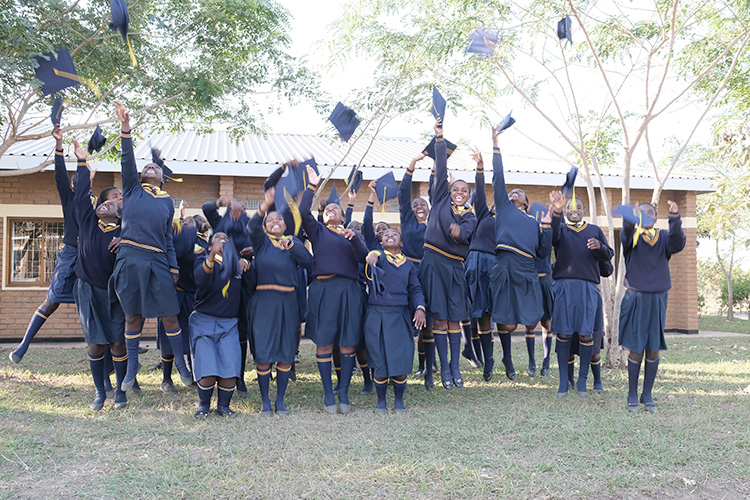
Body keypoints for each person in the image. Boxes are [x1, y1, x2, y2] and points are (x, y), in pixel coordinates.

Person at [109, 101, 191, 391]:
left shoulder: (167, 201)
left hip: (158, 262)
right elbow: (126, 160)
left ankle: (181, 364)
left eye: (154, 166)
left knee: (169, 313)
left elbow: (168, 237)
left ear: (162, 177)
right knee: (133, 316)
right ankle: (132, 368)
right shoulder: (131, 189)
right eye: (147, 167)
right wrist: (125, 127)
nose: (150, 166)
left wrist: (173, 266)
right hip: (131, 257)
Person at [9, 125, 82, 363]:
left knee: (98, 302)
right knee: (52, 301)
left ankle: (121, 345)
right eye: (77, 177)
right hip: (71, 254)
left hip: (91, 258)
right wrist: (59, 146)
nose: (81, 179)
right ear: (72, 184)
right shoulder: (69, 198)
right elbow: (60, 174)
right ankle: (23, 345)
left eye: (86, 174)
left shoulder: (99, 204)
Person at [300, 165, 368, 414]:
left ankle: (345, 392)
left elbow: (362, 258)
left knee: (348, 342)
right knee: (325, 343)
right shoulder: (318, 232)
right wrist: (311, 186)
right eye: (327, 209)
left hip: (349, 290)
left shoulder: (350, 234)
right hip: (324, 289)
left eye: (335, 209)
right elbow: (302, 212)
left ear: (342, 216)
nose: (331, 210)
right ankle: (329, 393)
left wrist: (356, 238)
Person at [418, 119, 477, 391]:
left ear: (469, 195)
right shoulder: (440, 198)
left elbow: (465, 235)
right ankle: (444, 369)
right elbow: (440, 169)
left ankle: (455, 367)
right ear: (449, 190)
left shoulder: (471, 216)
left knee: (455, 318)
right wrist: (439, 138)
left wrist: (457, 232)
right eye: (456, 189)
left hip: (455, 267)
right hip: (433, 262)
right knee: (439, 318)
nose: (459, 193)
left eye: (464, 191)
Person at [490, 127, 552, 381]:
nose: (514, 193)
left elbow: (543, 251)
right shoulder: (503, 208)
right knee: (507, 323)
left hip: (527, 270)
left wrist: (547, 227)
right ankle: (507, 360)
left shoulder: (533, 223)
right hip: (505, 265)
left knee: (530, 320)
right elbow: (498, 178)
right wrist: (495, 145)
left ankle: (533, 361)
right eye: (511, 191)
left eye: (519, 192)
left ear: (526, 202)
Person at [70, 138, 128, 411]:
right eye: (102, 205)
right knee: (95, 345)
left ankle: (120, 392)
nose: (104, 206)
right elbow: (81, 194)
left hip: (114, 294)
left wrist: (126, 242)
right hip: (87, 291)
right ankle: (99, 392)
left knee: (117, 343)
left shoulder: (124, 233)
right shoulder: (87, 224)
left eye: (110, 206)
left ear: (118, 215)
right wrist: (82, 163)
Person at [247, 188, 313, 416]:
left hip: (288, 303)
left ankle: (280, 401)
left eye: (279, 219)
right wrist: (265, 205)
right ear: (266, 226)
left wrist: (293, 246)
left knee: (285, 352)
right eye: (270, 220)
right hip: (264, 302)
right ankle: (265, 401)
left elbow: (308, 263)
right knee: (264, 353)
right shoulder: (261, 243)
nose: (275, 222)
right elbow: (251, 227)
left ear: (285, 225)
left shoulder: (292, 242)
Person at [619, 201, 685, 413]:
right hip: (635, 298)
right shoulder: (632, 237)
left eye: (650, 213)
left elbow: (678, 243)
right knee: (636, 348)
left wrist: (675, 218)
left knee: (653, 349)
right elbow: (626, 233)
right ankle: (631, 394)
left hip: (657, 298)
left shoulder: (664, 237)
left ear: (656, 218)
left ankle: (647, 395)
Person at [549, 192, 614, 398]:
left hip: (588, 288)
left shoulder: (594, 230)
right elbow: (551, 238)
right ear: (565, 211)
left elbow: (609, 255)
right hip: (564, 287)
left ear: (585, 211)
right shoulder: (560, 228)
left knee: (587, 334)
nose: (574, 211)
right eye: (569, 208)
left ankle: (583, 380)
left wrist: (600, 247)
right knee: (565, 333)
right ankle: (562, 382)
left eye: (578, 208)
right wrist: (556, 210)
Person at [364, 228, 426, 414]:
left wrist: (420, 308)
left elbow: (415, 290)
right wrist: (373, 253)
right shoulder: (377, 259)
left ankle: (399, 400)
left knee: (401, 359)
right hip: (377, 315)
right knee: (380, 360)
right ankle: (381, 401)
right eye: (386, 235)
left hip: (400, 316)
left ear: (401, 243)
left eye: (395, 235)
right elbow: (370, 255)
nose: (390, 236)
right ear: (381, 242)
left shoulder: (408, 266)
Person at [191, 232, 250, 419]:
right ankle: (203, 406)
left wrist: (247, 262)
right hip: (203, 321)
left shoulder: (237, 265)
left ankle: (224, 406)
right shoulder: (203, 260)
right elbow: (201, 279)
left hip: (229, 324)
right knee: (208, 370)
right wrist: (211, 256)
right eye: (218, 238)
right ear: (210, 246)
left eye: (226, 238)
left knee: (230, 370)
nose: (223, 239)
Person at [398, 152, 437, 380]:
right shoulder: (408, 220)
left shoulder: (434, 222)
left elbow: (438, 195)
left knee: (428, 324)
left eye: (423, 204)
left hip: (430, 272)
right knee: (409, 320)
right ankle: (406, 363)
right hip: (409, 272)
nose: (419, 206)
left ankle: (427, 366)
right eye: (415, 204)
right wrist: (412, 164)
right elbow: (404, 193)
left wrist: (435, 165)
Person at [465, 146, 496, 381]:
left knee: (490, 315)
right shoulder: (484, 215)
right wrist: (480, 167)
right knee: (477, 313)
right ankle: (485, 360)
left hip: (496, 268)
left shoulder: (512, 224)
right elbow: (481, 195)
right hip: (475, 264)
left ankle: (493, 357)